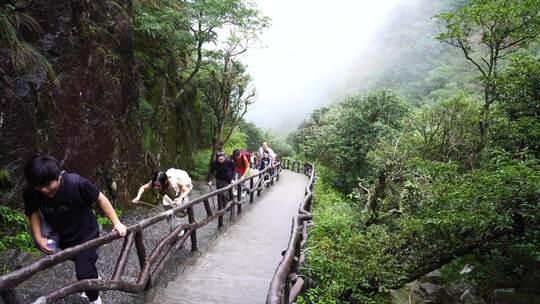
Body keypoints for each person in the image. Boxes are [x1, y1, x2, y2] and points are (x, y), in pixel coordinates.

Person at [23, 155, 127, 304]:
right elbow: (32, 212)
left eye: (47, 184)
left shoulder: (76, 183)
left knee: (83, 272)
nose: (44, 190)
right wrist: (39, 239)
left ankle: (95, 299)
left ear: (58, 175)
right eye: (38, 186)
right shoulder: (31, 191)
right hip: (61, 235)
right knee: (80, 263)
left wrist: (116, 223)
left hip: (87, 234)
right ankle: (92, 275)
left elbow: (100, 198)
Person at [132, 168, 192, 233]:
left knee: (182, 213)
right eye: (155, 185)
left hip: (180, 198)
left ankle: (182, 229)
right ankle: (176, 231)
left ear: (165, 182)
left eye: (158, 186)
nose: (156, 187)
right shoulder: (154, 182)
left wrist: (180, 198)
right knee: (169, 215)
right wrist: (138, 196)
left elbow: (187, 190)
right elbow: (143, 187)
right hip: (168, 200)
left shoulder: (175, 182)